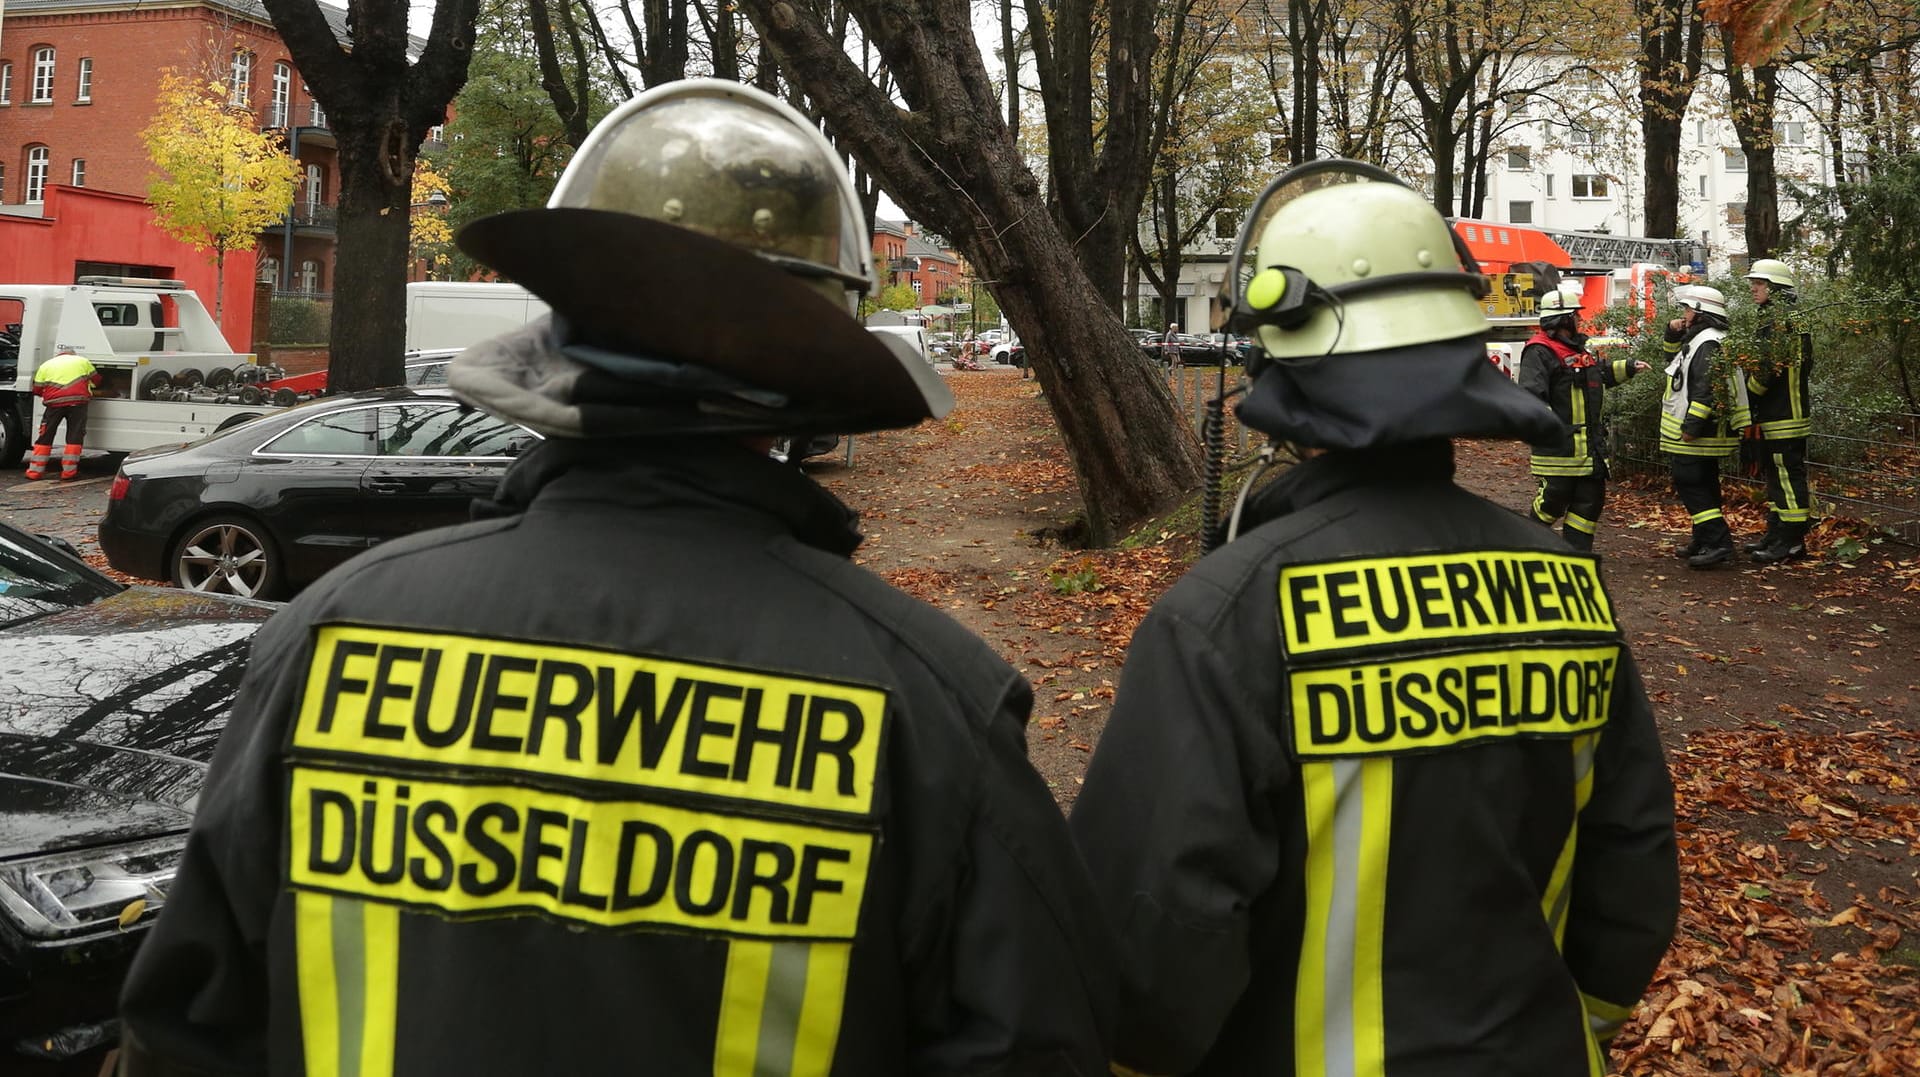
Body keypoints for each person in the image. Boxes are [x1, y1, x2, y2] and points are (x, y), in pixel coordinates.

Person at [118, 80, 1113, 1076]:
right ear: (800, 387)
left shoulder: (329, 638)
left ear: (562, 335)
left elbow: (185, 1030)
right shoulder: (926, 703)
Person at [1068, 159, 1679, 1076]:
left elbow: (1152, 937)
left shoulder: (1228, 613)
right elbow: (1633, 858)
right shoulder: (1571, 584)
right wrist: (1570, 1024)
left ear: (1281, 365)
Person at [1517, 284, 1650, 550]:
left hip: (1590, 449)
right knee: (1553, 500)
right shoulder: (1539, 351)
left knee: (1590, 503)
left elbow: (1595, 375)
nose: (1580, 319)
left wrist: (1628, 367)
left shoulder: (1578, 351)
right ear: (1563, 319)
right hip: (1560, 450)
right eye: (1575, 315)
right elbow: (1530, 398)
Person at [1660, 284, 1750, 568]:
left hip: (1698, 433)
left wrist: (1692, 427)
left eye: (1687, 309)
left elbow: (1705, 390)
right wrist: (1672, 333)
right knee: (1705, 483)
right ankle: (1703, 539)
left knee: (1690, 483)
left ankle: (1718, 542)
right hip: (1708, 431)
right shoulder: (1706, 339)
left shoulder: (1707, 343)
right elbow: (1672, 361)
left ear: (1700, 312)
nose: (1684, 314)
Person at [1742, 258, 1814, 563]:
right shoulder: (1787, 317)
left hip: (1784, 414)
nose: (1753, 289)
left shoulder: (1781, 321)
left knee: (1786, 477)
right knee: (1776, 477)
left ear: (1775, 288)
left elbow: (1769, 368)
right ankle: (1776, 534)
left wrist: (1747, 395)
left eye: (1759, 284)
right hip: (1781, 411)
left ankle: (1792, 542)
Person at [24, 347, 102, 480]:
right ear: (73, 354)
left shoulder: (46, 365)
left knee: (46, 436)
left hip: (54, 404)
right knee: (74, 436)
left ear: (59, 355)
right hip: (78, 403)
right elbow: (97, 380)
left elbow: (37, 389)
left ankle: (35, 472)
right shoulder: (82, 361)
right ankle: (69, 473)